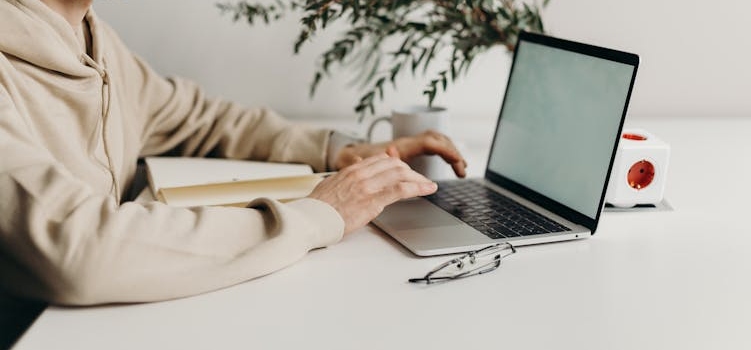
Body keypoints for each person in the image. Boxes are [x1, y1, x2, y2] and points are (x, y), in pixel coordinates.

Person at [0, 0, 467, 306]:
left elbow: (197, 117)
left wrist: (340, 150)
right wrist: (316, 217)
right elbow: (82, 252)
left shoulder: (92, 38)